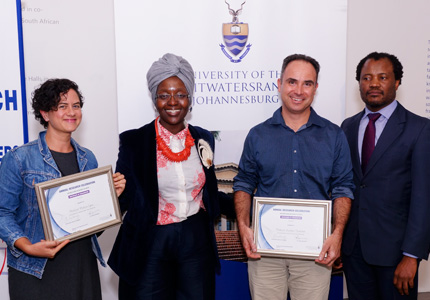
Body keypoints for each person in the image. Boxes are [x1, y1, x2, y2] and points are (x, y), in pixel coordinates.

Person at [108, 53, 233, 300]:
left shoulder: (203, 138)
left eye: (180, 94)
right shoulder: (134, 141)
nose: (173, 102)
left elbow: (207, 191)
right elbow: (127, 196)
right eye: (164, 95)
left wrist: (248, 204)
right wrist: (111, 196)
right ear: (155, 99)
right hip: (150, 239)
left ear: (190, 98)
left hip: (195, 240)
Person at [233, 54, 355, 300]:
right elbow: (244, 183)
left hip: (315, 253)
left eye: (307, 83)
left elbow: (343, 187)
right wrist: (244, 227)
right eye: (292, 82)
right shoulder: (258, 135)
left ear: (316, 88)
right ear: (279, 84)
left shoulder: (334, 136)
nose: (299, 90)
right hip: (264, 252)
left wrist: (337, 232)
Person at [0, 78, 126, 299]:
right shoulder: (20, 159)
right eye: (62, 106)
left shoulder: (88, 159)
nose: (71, 112)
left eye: (76, 106)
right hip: (35, 269)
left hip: (81, 266)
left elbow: (91, 227)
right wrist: (27, 246)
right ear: (45, 113)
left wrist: (110, 200)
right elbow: (2, 213)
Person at [341, 52, 430, 300]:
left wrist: (412, 256)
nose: (374, 84)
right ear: (359, 83)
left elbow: (424, 198)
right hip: (354, 251)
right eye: (367, 78)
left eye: (383, 77)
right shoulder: (347, 126)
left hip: (396, 254)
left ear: (397, 82)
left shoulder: (420, 129)